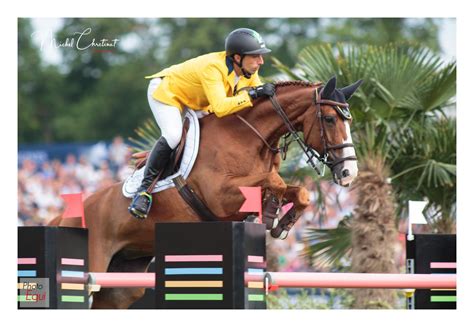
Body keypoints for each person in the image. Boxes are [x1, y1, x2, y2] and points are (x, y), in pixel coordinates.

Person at [128, 28, 276, 220]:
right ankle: (143, 192)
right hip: (167, 92)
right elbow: (222, 107)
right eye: (255, 57)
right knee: (173, 136)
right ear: (238, 57)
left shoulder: (248, 72)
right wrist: (254, 94)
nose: (261, 62)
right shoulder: (213, 67)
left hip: (196, 101)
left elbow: (252, 102)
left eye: (261, 57)